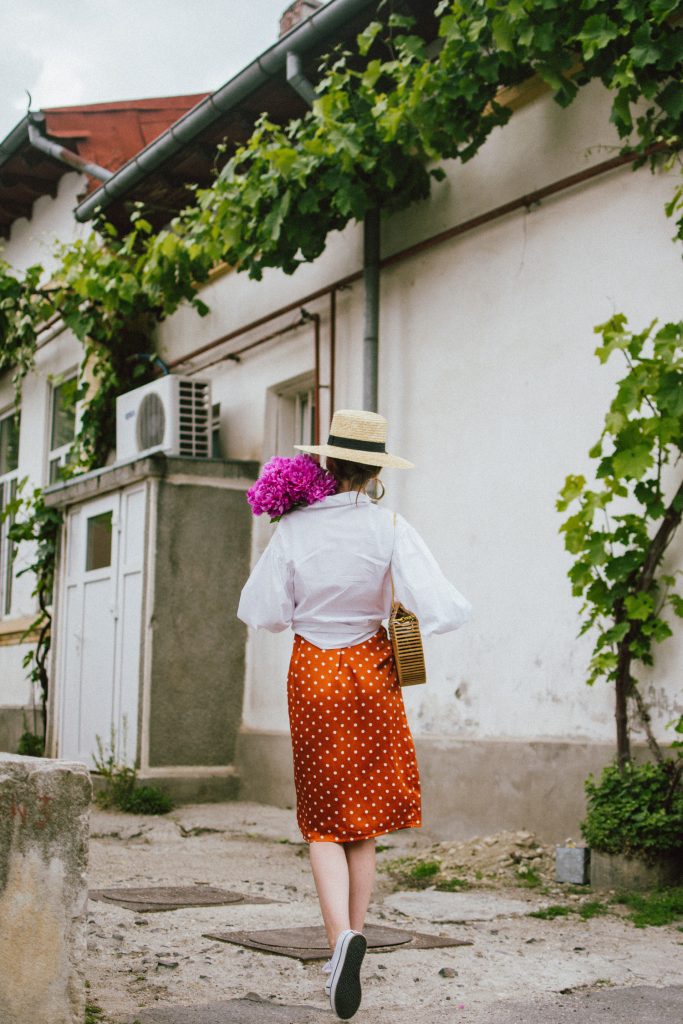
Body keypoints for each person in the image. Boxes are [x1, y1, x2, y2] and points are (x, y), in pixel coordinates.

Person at [237, 409, 471, 1020]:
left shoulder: (292, 532)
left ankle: (339, 939)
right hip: (370, 672)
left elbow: (263, 611)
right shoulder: (390, 526)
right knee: (361, 820)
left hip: (313, 672)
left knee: (321, 821)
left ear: (326, 464)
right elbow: (441, 607)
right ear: (373, 473)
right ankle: (354, 937)